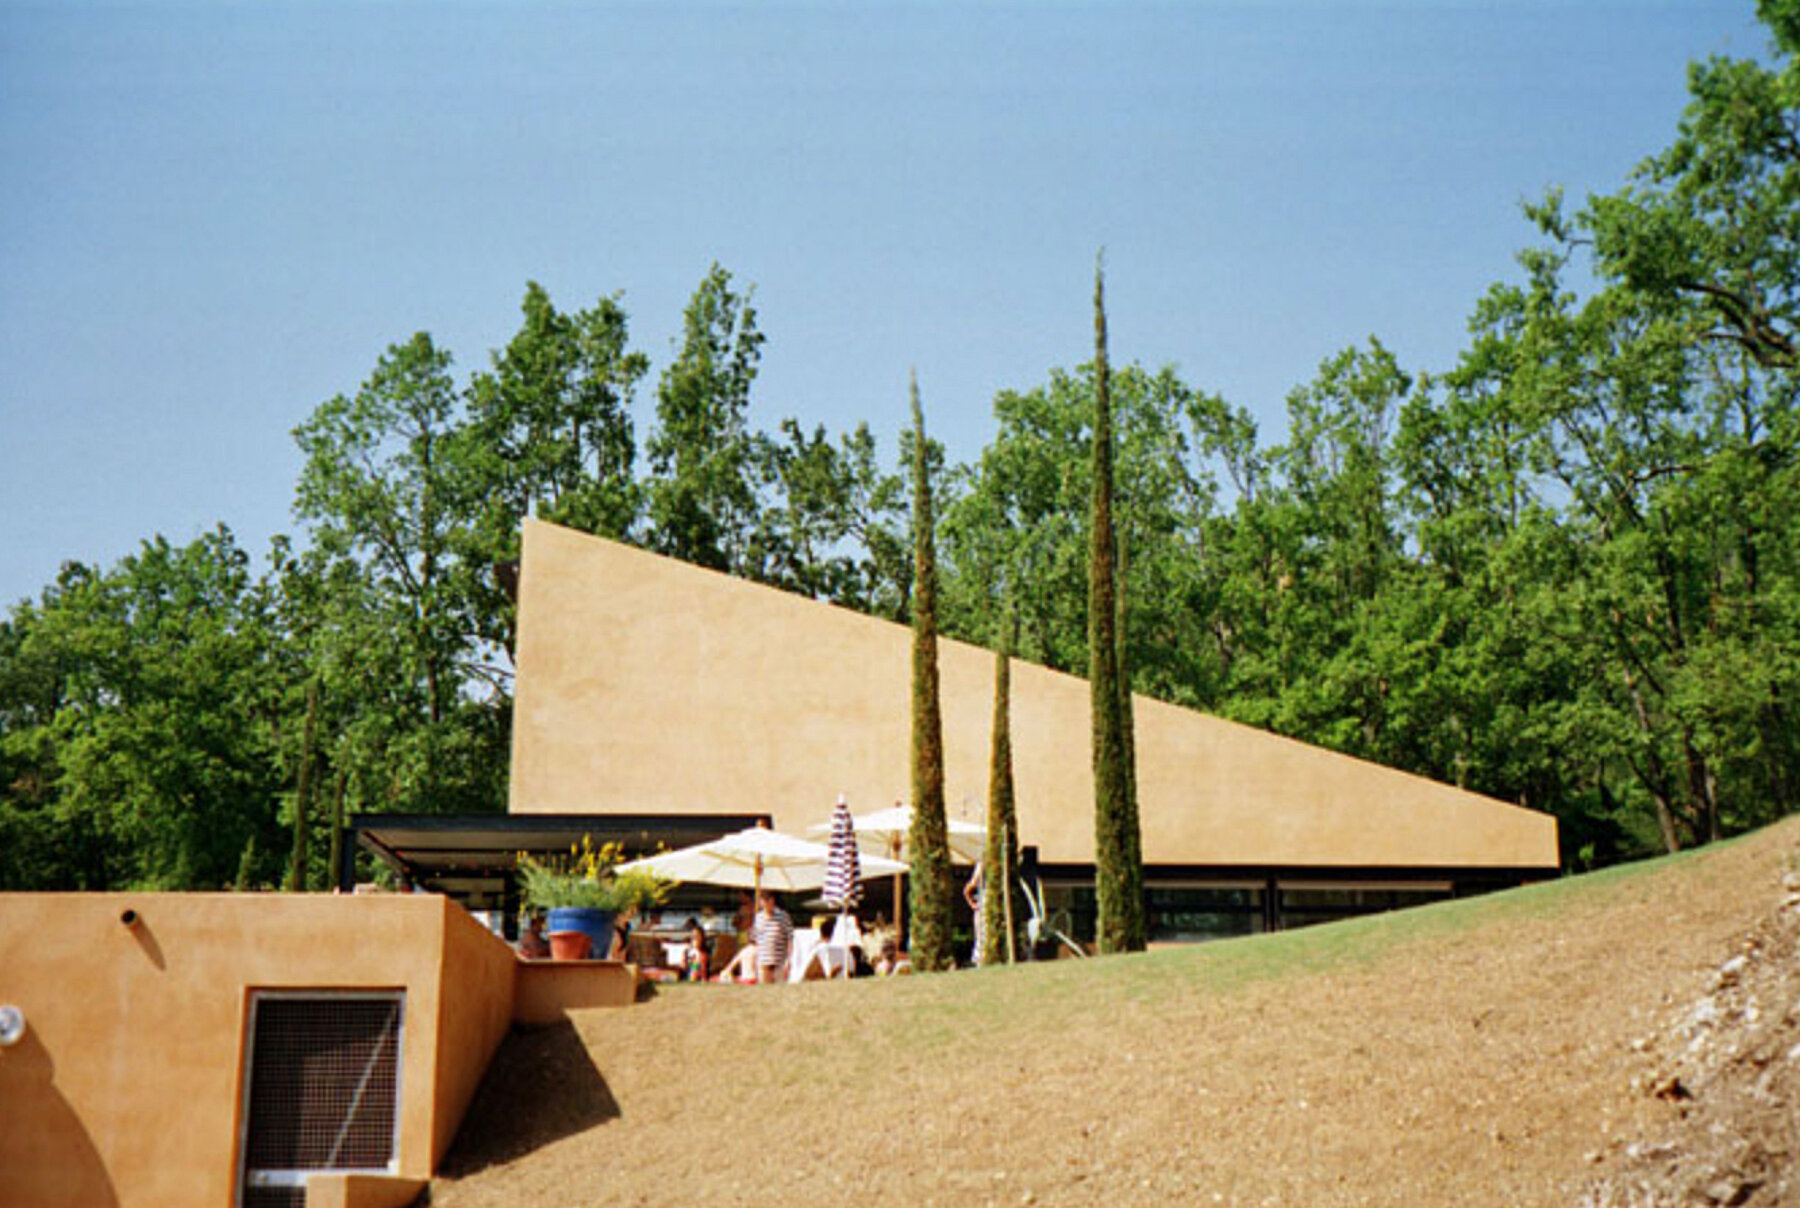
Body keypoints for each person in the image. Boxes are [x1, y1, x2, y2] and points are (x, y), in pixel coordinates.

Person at [753, 890, 793, 985]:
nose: (766, 903)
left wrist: (789, 959)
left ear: (773, 900)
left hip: (779, 962)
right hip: (763, 961)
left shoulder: (783, 916)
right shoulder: (758, 918)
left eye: (768, 900)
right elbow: (756, 940)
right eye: (764, 900)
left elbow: (790, 938)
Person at [964, 860, 984, 967]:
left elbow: (969, 888)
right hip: (983, 906)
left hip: (982, 905)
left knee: (981, 938)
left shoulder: (982, 863)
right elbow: (970, 887)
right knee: (981, 937)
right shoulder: (982, 863)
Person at [682, 917, 710, 982]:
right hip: (688, 976)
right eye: (693, 937)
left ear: (702, 938)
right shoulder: (687, 951)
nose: (695, 939)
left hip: (700, 978)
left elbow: (704, 970)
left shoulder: (705, 953)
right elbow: (683, 967)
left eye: (697, 936)